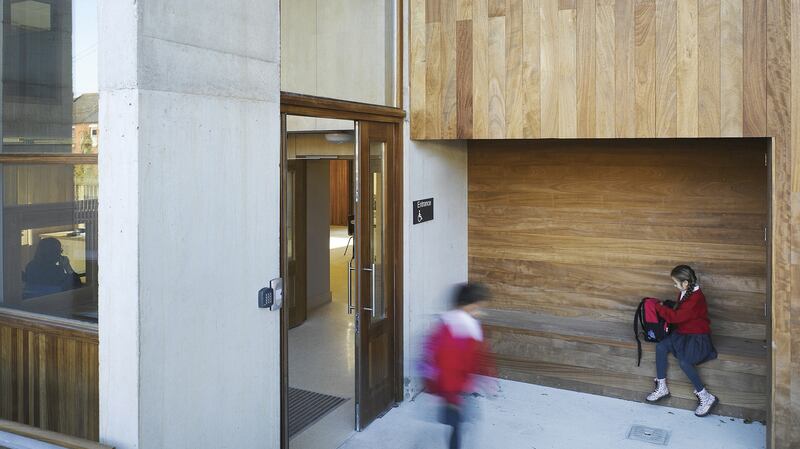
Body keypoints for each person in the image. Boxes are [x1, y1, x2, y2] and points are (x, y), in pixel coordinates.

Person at [422, 283, 496, 449]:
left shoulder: (462, 324)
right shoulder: (455, 329)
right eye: (479, 307)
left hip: (461, 387)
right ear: (469, 305)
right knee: (457, 425)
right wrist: (451, 395)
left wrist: (487, 379)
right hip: (453, 389)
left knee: (460, 424)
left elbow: (479, 356)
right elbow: (447, 364)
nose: (480, 311)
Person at [646, 265, 718, 417]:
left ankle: (705, 396)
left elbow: (676, 317)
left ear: (685, 283)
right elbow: (679, 313)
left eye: (676, 283)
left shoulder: (696, 298)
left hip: (697, 337)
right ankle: (662, 386)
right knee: (661, 347)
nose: (675, 285)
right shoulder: (686, 291)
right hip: (683, 333)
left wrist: (658, 308)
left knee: (685, 362)